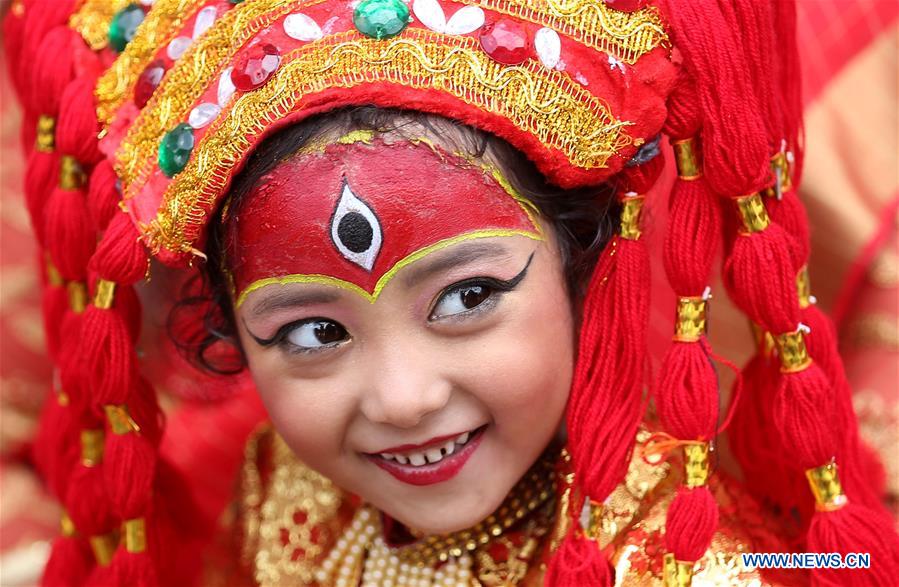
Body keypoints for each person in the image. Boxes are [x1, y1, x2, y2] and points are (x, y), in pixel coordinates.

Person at [3, 0, 898, 586]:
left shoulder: (685, 562)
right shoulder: (284, 488)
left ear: (581, 264)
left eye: (467, 299)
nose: (403, 396)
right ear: (228, 332)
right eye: (314, 330)